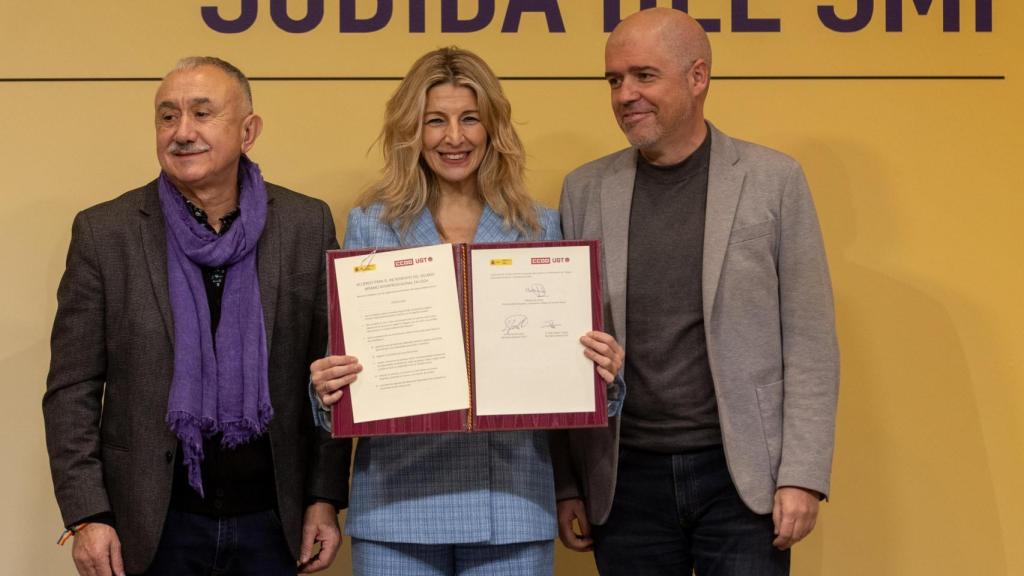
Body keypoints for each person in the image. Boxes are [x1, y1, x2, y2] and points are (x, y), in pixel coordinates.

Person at [309, 47, 624, 576]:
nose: (454, 138)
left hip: (512, 507)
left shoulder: (541, 230)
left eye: (469, 119)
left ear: (493, 128)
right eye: (436, 120)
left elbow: (568, 390)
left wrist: (604, 377)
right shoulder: (371, 227)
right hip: (394, 510)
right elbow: (341, 390)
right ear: (413, 130)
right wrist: (327, 389)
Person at [554, 8, 840, 576]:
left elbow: (809, 341)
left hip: (742, 480)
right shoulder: (583, 189)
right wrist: (567, 484)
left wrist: (802, 476)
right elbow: (563, 349)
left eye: (643, 75)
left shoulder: (774, 180)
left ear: (698, 77)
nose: (625, 94)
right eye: (614, 80)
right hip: (622, 479)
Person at [42, 56, 350, 576]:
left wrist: (324, 496)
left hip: (274, 520)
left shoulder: (304, 223)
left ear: (248, 130)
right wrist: (87, 515)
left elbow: (332, 372)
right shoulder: (105, 232)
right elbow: (71, 389)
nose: (182, 132)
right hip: (149, 524)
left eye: (202, 114)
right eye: (167, 117)